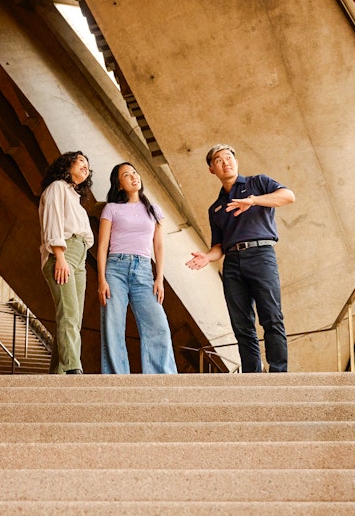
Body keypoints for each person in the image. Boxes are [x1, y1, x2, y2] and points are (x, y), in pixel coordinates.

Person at [186, 144, 295, 372]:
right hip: (232, 263)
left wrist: (253, 201)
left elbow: (288, 196)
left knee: (271, 317)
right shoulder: (215, 208)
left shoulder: (258, 183)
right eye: (219, 160)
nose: (226, 162)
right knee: (241, 325)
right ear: (211, 169)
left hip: (261, 254)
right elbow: (219, 246)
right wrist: (207, 257)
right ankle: (252, 377)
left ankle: (278, 376)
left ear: (236, 162)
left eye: (229, 157)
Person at [96, 162, 177, 374]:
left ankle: (162, 378)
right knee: (113, 326)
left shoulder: (153, 210)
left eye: (134, 172)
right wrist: (102, 280)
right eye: (126, 175)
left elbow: (158, 246)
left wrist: (159, 278)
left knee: (158, 325)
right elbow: (102, 245)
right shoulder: (111, 208)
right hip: (115, 269)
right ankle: (117, 380)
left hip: (143, 270)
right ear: (119, 185)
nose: (133, 176)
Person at [39, 151, 94, 374]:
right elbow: (52, 223)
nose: (85, 166)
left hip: (79, 257)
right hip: (63, 253)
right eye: (80, 160)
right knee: (69, 314)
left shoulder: (76, 199)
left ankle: (58, 373)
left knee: (74, 318)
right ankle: (73, 369)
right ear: (66, 164)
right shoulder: (57, 188)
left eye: (88, 164)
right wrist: (60, 256)